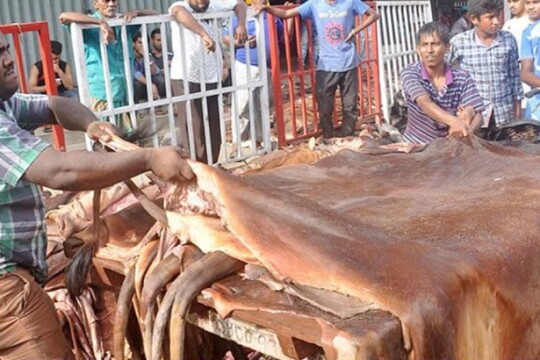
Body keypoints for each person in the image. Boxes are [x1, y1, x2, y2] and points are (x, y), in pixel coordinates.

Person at [0, 31, 193, 360]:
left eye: (5, 49)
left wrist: (92, 124)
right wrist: (147, 159)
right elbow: (60, 172)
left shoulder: (6, 104)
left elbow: (54, 105)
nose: (8, 59)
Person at [253, 0, 379, 138]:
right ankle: (328, 135)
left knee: (350, 106)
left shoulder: (350, 2)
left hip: (348, 62)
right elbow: (286, 13)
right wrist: (267, 8)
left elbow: (374, 15)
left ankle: (346, 135)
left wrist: (355, 31)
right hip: (326, 64)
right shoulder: (314, 4)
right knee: (324, 105)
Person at [59, 0, 158, 133]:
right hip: (103, 93)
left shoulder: (123, 21)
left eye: (114, 0)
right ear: (95, 4)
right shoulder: (88, 24)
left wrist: (137, 13)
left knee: (129, 139)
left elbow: (156, 14)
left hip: (125, 92)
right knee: (108, 139)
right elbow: (64, 16)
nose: (111, 4)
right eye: (106, 1)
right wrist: (100, 23)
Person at [169, 0, 248, 163]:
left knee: (214, 123)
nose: (200, 2)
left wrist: (241, 24)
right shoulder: (180, 7)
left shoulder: (213, 6)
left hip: (212, 74)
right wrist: (204, 34)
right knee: (194, 125)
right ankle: (196, 167)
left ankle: (212, 163)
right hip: (186, 75)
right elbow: (177, 12)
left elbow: (240, 4)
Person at [401, 22, 485, 144]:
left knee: (470, 110)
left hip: (450, 145)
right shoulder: (410, 72)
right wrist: (455, 122)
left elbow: (478, 115)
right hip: (417, 145)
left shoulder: (462, 77)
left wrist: (466, 131)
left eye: (435, 44)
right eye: (425, 45)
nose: (429, 50)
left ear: (447, 47)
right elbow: (424, 103)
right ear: (418, 49)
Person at [448, 0, 523, 127]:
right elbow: (445, 73)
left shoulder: (508, 40)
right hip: (475, 116)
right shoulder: (459, 42)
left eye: (498, 15)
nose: (497, 22)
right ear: (474, 19)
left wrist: (518, 111)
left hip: (505, 114)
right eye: (490, 17)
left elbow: (515, 77)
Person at [223, 12, 283, 152]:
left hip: (267, 67)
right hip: (245, 66)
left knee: (263, 105)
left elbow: (280, 35)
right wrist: (239, 42)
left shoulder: (272, 15)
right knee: (242, 104)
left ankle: (259, 141)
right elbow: (225, 37)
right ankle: (237, 144)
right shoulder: (240, 16)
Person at [504, 0, 531, 112]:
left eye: (515, 1)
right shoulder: (508, 25)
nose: (511, 5)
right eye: (509, 2)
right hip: (514, 78)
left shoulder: (533, 23)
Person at [132, 32, 164, 101]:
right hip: (141, 84)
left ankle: (160, 102)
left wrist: (147, 57)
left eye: (144, 43)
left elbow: (154, 72)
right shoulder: (130, 57)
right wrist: (151, 85)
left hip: (148, 84)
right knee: (136, 84)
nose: (142, 45)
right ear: (133, 44)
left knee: (160, 80)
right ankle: (139, 106)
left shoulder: (147, 55)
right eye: (140, 42)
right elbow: (136, 74)